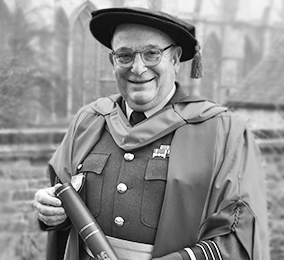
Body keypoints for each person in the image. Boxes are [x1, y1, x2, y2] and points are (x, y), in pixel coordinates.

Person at [33, 7, 270, 260]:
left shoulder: (224, 132)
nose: (137, 68)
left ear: (176, 59)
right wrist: (51, 211)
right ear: (112, 61)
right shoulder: (89, 121)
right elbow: (62, 196)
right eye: (124, 56)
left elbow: (240, 233)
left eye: (151, 54)